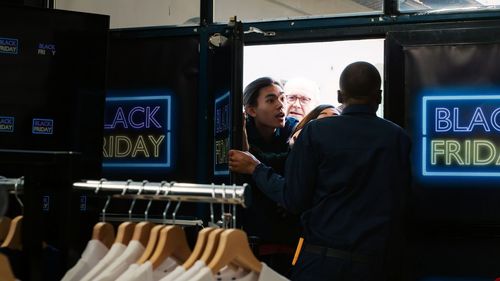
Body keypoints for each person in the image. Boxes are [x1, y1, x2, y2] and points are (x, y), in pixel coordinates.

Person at [231, 62, 411, 281]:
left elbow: (293, 199)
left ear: (339, 95)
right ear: (379, 97)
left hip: (321, 264)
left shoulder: (316, 133)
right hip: (378, 266)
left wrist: (256, 169)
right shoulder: (398, 138)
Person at [241, 77, 301, 277]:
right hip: (252, 237)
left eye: (282, 99)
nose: (281, 105)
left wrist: (252, 161)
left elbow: (293, 164)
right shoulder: (240, 131)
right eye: (271, 100)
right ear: (251, 110)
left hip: (290, 241)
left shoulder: (293, 128)